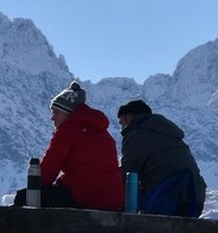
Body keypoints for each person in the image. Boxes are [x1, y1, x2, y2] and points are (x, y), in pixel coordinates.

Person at [15, 82, 124, 211]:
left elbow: (49, 169)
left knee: (22, 197)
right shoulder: (103, 133)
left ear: (69, 113)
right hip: (115, 200)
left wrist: (35, 190)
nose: (52, 118)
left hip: (85, 197)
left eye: (56, 112)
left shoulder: (68, 131)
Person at [117, 100, 207, 217]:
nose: (121, 125)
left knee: (120, 189)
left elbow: (128, 170)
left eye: (121, 121)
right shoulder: (167, 132)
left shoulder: (137, 135)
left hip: (167, 199)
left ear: (129, 117)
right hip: (195, 199)